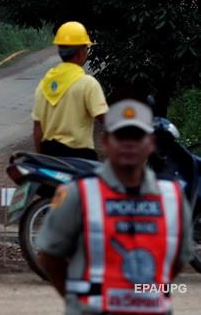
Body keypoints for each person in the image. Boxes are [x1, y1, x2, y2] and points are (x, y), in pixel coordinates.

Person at [37, 99, 193, 315]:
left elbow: (178, 259)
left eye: (137, 137)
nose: (129, 144)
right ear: (106, 142)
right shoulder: (78, 193)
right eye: (121, 136)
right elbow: (50, 256)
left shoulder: (173, 197)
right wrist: (78, 303)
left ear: (151, 143)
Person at [32, 21, 108, 160]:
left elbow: (38, 128)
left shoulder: (44, 84)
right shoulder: (88, 84)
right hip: (81, 158)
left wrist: (41, 159)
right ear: (81, 52)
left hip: (51, 158)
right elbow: (106, 120)